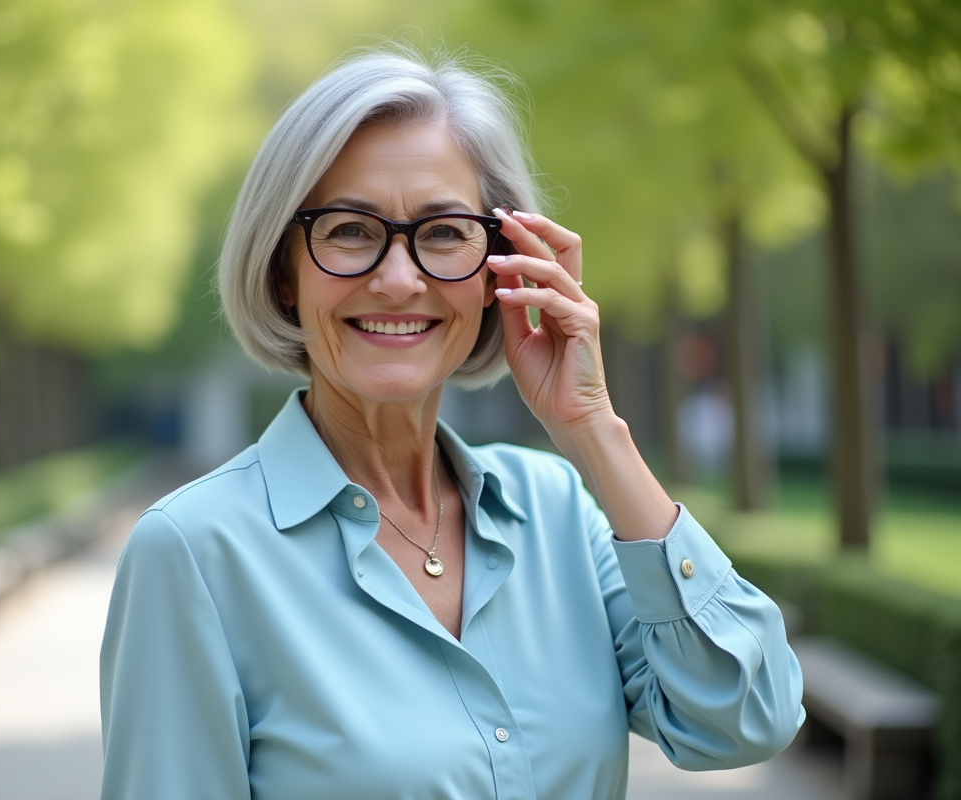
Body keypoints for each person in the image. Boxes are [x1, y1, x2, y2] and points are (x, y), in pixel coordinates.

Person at [100, 47, 804, 800]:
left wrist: (595, 428)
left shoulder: (556, 508)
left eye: (442, 234)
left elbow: (746, 719)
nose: (398, 279)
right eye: (347, 231)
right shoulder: (197, 554)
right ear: (283, 269)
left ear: (500, 264)